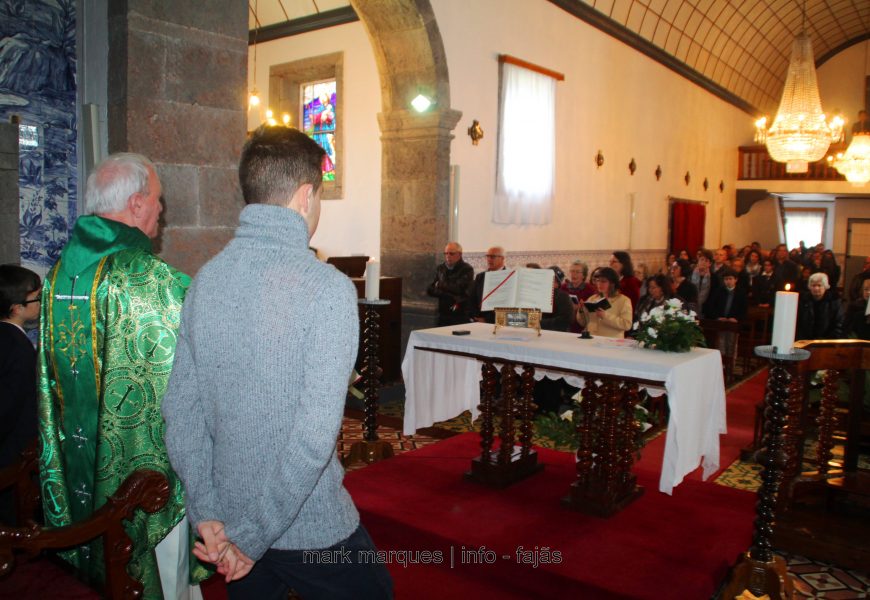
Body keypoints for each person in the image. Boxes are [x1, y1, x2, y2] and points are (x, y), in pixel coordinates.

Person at [162, 126, 393, 599]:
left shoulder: (205, 281)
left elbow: (181, 415)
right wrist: (251, 537)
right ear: (305, 196)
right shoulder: (326, 288)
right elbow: (313, 440)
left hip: (227, 524)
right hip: (306, 528)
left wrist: (209, 517)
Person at [35, 153, 208, 598]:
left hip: (84, 469)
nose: (160, 211)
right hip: (144, 483)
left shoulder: (58, 276)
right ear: (135, 204)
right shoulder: (151, 280)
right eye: (158, 201)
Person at [0, 265, 41, 524]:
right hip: (13, 446)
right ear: (17, 309)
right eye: (36, 298)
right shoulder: (18, 348)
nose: (40, 302)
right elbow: (10, 403)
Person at [426, 241, 475, 326]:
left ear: (459, 254)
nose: (448, 256)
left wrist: (440, 285)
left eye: (451, 253)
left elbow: (458, 288)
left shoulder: (467, 269)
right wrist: (446, 294)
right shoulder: (441, 268)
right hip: (443, 313)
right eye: (446, 253)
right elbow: (430, 289)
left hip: (459, 313)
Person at [579, 267, 632, 338]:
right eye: (598, 281)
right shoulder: (592, 298)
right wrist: (581, 310)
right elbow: (583, 323)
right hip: (591, 339)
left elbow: (626, 325)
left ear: (612, 283)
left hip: (611, 342)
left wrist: (605, 316)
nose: (599, 284)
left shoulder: (624, 300)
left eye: (603, 281)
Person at [796, 272, 845, 341]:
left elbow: (839, 323)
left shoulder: (834, 302)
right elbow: (798, 324)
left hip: (827, 342)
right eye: (813, 285)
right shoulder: (802, 301)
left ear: (825, 286)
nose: (816, 288)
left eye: (819, 285)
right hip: (805, 341)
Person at [470, 246, 506, 324]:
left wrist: (487, 320)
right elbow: (472, 299)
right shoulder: (480, 276)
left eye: (492, 257)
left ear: (502, 258)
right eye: (488, 256)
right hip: (479, 321)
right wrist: (476, 317)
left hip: (498, 322)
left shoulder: (509, 277)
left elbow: (507, 305)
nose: (489, 259)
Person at [562, 260, 596, 333]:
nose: (574, 274)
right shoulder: (563, 287)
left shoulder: (590, 289)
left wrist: (580, 308)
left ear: (584, 275)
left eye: (577, 272)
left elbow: (593, 310)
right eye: (572, 271)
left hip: (582, 326)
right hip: (565, 324)